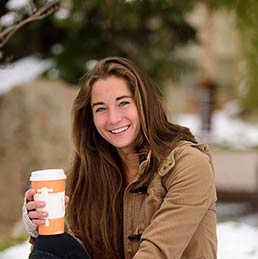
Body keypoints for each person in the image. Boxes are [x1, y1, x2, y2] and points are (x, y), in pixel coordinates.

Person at [23, 56, 217, 259]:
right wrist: (39, 221)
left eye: (123, 103)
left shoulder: (189, 165)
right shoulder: (89, 172)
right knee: (51, 243)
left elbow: (157, 253)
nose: (113, 118)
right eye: (101, 108)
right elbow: (68, 250)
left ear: (144, 104)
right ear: (90, 118)